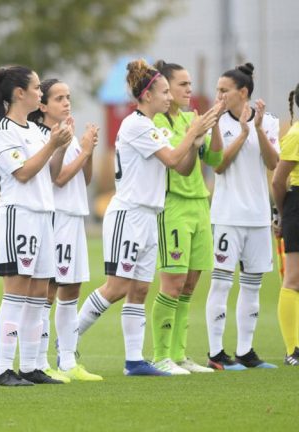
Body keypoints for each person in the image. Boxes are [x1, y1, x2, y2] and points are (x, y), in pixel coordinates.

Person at [76, 59, 219, 376]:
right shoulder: (136, 125)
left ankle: (134, 361)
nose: (170, 97)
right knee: (116, 287)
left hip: (149, 216)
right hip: (129, 215)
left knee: (139, 289)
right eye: (165, 91)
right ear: (147, 95)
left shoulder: (151, 127)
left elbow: (180, 166)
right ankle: (66, 344)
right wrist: (192, 131)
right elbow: (170, 157)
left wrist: (195, 141)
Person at [0, 66, 71, 386]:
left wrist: (59, 146)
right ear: (19, 93)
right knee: (16, 293)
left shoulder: (35, 131)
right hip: (18, 216)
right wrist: (52, 145)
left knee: (39, 294)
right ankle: (3, 369)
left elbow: (49, 174)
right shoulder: (2, 130)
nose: (40, 92)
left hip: (43, 215)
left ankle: (32, 365)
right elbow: (21, 173)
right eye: (36, 88)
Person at [148, 60, 223, 375]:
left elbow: (216, 159)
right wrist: (193, 135)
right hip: (174, 206)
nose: (188, 89)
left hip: (200, 205)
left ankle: (179, 355)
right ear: (164, 90)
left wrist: (214, 123)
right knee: (173, 283)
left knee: (191, 284)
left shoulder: (193, 119)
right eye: (181, 84)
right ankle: (160, 355)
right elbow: (180, 165)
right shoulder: (159, 124)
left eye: (190, 84)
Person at [206, 63, 280, 370]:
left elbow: (273, 161)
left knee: (253, 285)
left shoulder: (270, 121)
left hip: (258, 217)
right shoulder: (217, 122)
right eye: (218, 90)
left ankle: (246, 351)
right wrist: (242, 134)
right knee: (221, 283)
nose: (219, 96)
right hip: (227, 215)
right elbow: (218, 165)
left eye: (224, 90)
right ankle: (215, 353)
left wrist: (258, 129)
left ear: (243, 92)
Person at [29, 78, 102, 382]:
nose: (66, 102)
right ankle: (41, 360)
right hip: (56, 217)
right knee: (49, 290)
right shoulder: (44, 136)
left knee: (71, 288)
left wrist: (89, 149)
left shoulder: (67, 134)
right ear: (42, 105)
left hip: (74, 216)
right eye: (58, 98)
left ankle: (68, 360)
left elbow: (83, 180)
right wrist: (84, 151)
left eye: (68, 97)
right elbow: (56, 179)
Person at [272, 83, 299, 366]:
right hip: (297, 206)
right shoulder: (295, 134)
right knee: (293, 279)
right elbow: (279, 180)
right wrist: (282, 215)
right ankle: (293, 349)